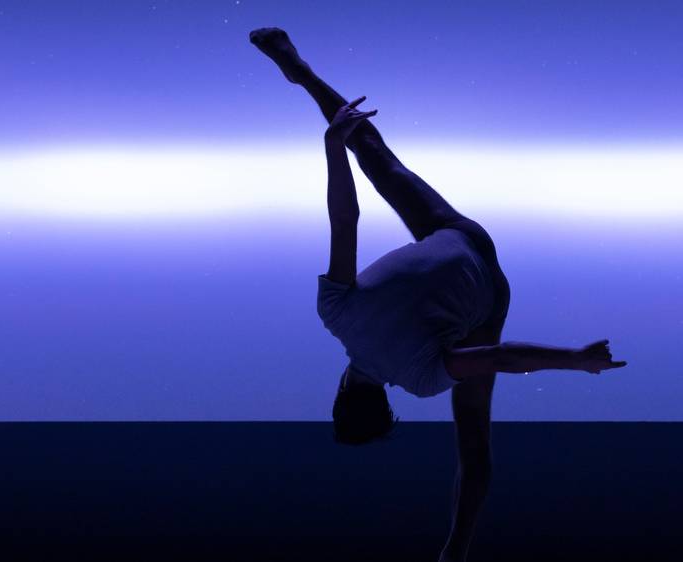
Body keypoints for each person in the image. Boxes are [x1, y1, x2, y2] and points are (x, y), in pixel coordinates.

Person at [250, 27, 627, 562]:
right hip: (447, 231)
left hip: (486, 287)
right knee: (376, 157)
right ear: (340, 389)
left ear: (385, 403)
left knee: (473, 437)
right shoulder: (335, 314)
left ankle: (456, 548)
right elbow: (345, 219)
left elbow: (502, 356)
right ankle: (304, 76)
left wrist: (578, 361)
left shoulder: (420, 379)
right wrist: (334, 149)